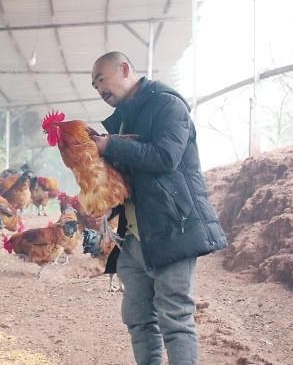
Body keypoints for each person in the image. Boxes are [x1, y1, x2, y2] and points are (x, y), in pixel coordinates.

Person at [91, 51, 228, 365]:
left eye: (101, 79)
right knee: (139, 320)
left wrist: (110, 144)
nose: (98, 89)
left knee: (175, 319)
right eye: (94, 85)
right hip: (134, 239)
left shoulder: (168, 105)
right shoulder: (125, 117)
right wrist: (104, 208)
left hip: (172, 230)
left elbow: (166, 157)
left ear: (124, 69)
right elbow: (125, 179)